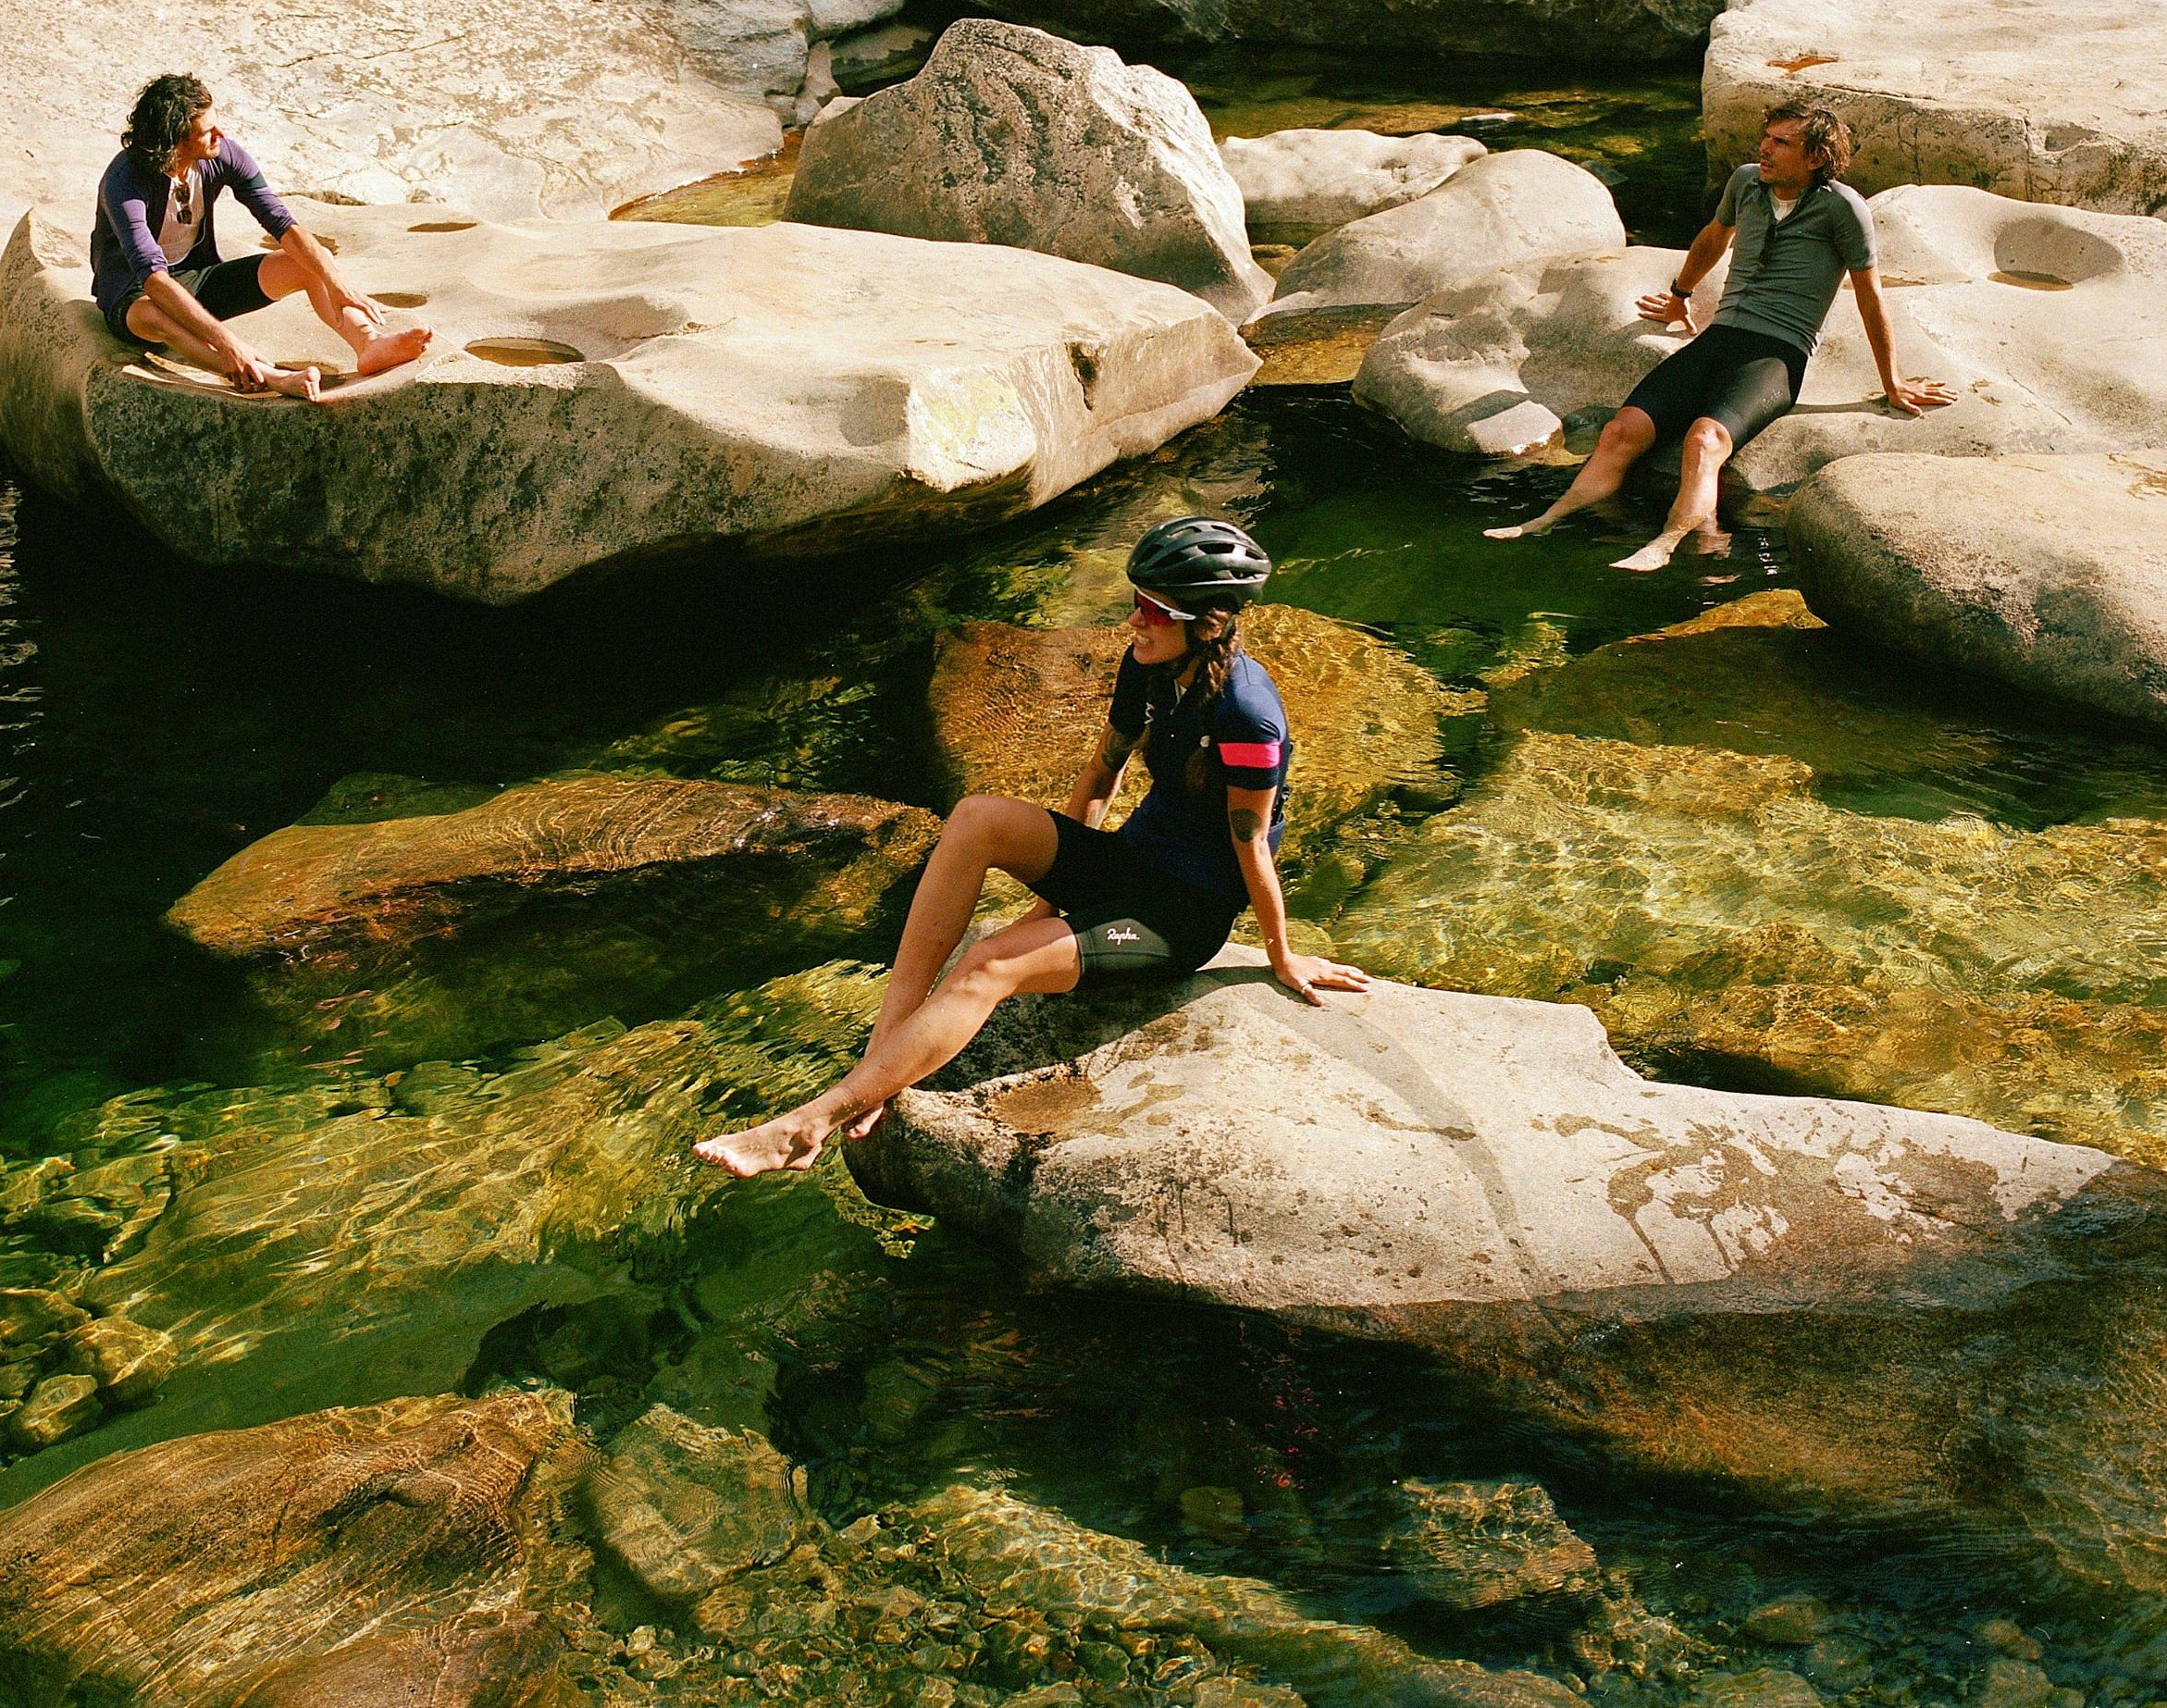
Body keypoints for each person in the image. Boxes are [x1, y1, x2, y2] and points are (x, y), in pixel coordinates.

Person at [696, 517, 1372, 1179]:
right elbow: (1101, 777)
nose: (1134, 621)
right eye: (1134, 602)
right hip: (1127, 865)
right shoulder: (1147, 667)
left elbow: (1251, 849)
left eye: (1153, 610)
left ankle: (805, 1126)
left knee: (991, 964)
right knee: (976, 817)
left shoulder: (1247, 718)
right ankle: (881, 1056)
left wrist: (1282, 956)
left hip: (1176, 918)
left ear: (1211, 625)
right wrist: (1053, 896)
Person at [1486, 101, 1954, 572]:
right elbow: (1714, 237)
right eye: (1766, 136)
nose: (1764, 148)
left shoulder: (1842, 208)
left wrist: (1891, 383)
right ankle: (1549, 517)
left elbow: (1869, 295)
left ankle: (1666, 544)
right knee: (1620, 430)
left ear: (1815, 157)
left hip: (1777, 353)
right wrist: (1679, 296)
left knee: (1704, 440)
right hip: (1719, 337)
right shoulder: (1747, 182)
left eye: (1782, 142)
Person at [89, 73, 431, 402]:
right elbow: (152, 278)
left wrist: (336, 282)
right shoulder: (125, 182)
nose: (220, 134)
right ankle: (271, 376)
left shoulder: (222, 154)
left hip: (196, 281)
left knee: (307, 262)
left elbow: (283, 224)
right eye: (207, 131)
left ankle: (368, 343)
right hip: (134, 298)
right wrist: (227, 342)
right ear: (176, 141)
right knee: (155, 316)